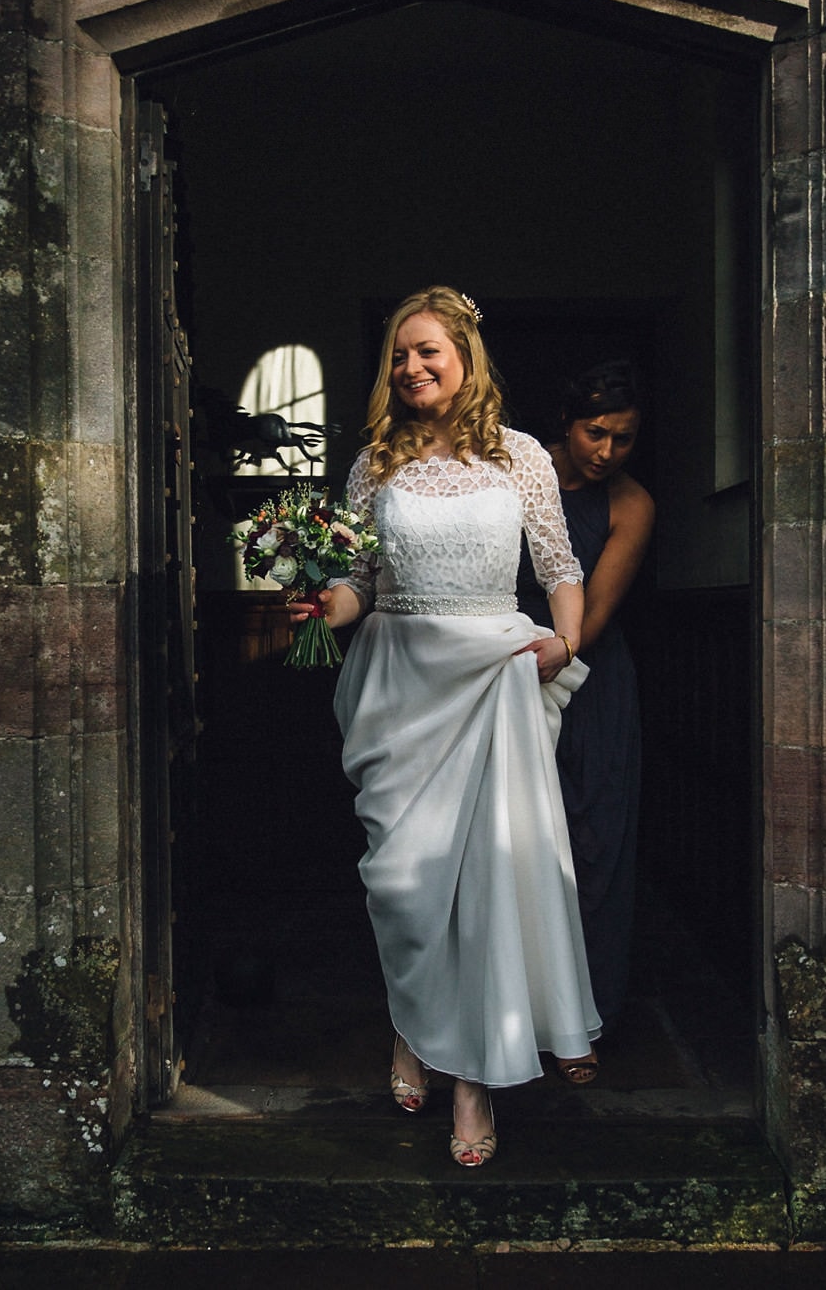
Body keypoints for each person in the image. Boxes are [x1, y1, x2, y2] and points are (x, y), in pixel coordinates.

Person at [290, 286, 599, 1168]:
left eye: (428, 350)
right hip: (399, 689)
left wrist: (565, 637)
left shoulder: (523, 456)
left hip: (493, 679)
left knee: (484, 889)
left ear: (466, 357)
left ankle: (471, 1081)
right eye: (398, 354)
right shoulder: (373, 467)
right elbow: (359, 584)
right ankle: (411, 1025)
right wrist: (324, 603)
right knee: (406, 887)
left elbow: (559, 565)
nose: (412, 367)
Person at [516, 361, 653, 1046]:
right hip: (500, 668)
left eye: (623, 439)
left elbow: (592, 609)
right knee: (512, 843)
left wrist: (560, 649)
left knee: (593, 839)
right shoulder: (514, 469)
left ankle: (586, 1021)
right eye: (595, 433)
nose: (606, 452)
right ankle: (514, 1015)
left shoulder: (632, 504)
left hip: (589, 674)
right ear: (565, 424)